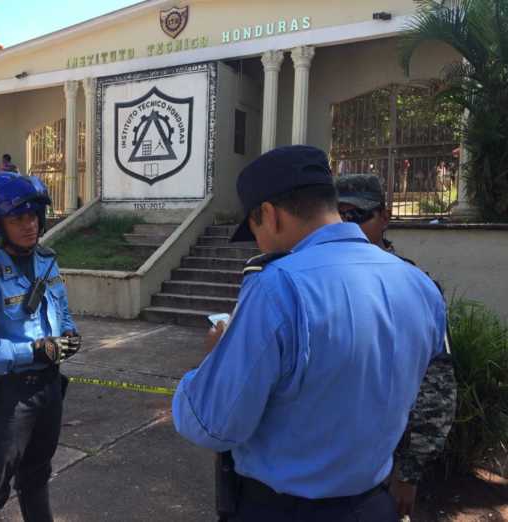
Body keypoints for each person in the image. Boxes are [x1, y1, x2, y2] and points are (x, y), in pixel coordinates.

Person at [172, 146, 448, 522]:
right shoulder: (419, 286)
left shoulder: (278, 287)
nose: (258, 243)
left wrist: (213, 359)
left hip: (283, 510)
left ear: (268, 214)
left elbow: (213, 424)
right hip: (372, 504)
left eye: (253, 229)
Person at [0, 172, 80, 522]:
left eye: (33, 216)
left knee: (37, 477)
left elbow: (62, 310)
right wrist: (30, 352)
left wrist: (69, 335)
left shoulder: (47, 261)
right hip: (6, 399)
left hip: (49, 388)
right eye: (17, 218)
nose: (30, 225)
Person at [335, 173, 457, 517]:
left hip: (383, 469)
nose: (347, 225)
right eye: (338, 215)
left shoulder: (414, 286)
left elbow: (437, 386)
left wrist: (409, 472)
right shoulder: (309, 280)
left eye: (357, 215)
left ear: (384, 217)